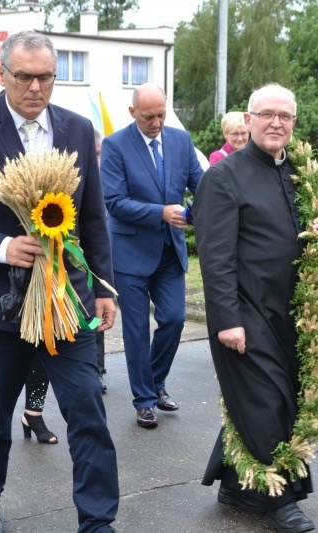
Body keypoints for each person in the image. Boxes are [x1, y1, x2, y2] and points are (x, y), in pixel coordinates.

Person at [0, 30, 118, 533]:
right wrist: (2, 246)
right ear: (2, 75)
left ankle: (98, 520)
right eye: (25, 77)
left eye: (45, 77)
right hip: (1, 304)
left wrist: (103, 288)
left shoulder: (76, 129)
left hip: (68, 303)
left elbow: (93, 217)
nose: (35, 88)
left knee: (88, 414)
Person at [194, 83, 318, 533]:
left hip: (289, 313)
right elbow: (214, 258)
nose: (277, 123)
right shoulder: (223, 177)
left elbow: (308, 245)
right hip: (245, 310)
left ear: (294, 123)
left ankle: (235, 487)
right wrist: (227, 321)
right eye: (267, 114)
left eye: (286, 116)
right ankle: (281, 500)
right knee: (268, 400)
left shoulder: (297, 174)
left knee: (271, 397)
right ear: (249, 120)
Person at [101, 83, 203, 429]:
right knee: (136, 330)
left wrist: (193, 213)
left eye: (161, 114)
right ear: (133, 113)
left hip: (170, 251)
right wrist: (160, 212)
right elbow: (113, 202)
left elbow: (201, 186)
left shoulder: (180, 140)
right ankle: (144, 400)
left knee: (174, 319)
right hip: (130, 253)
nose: (157, 122)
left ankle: (155, 382)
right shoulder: (115, 146)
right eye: (149, 117)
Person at [94, 128, 107, 394]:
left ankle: (98, 367)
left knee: (96, 319)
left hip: (95, 263)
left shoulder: (106, 178)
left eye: (98, 153)